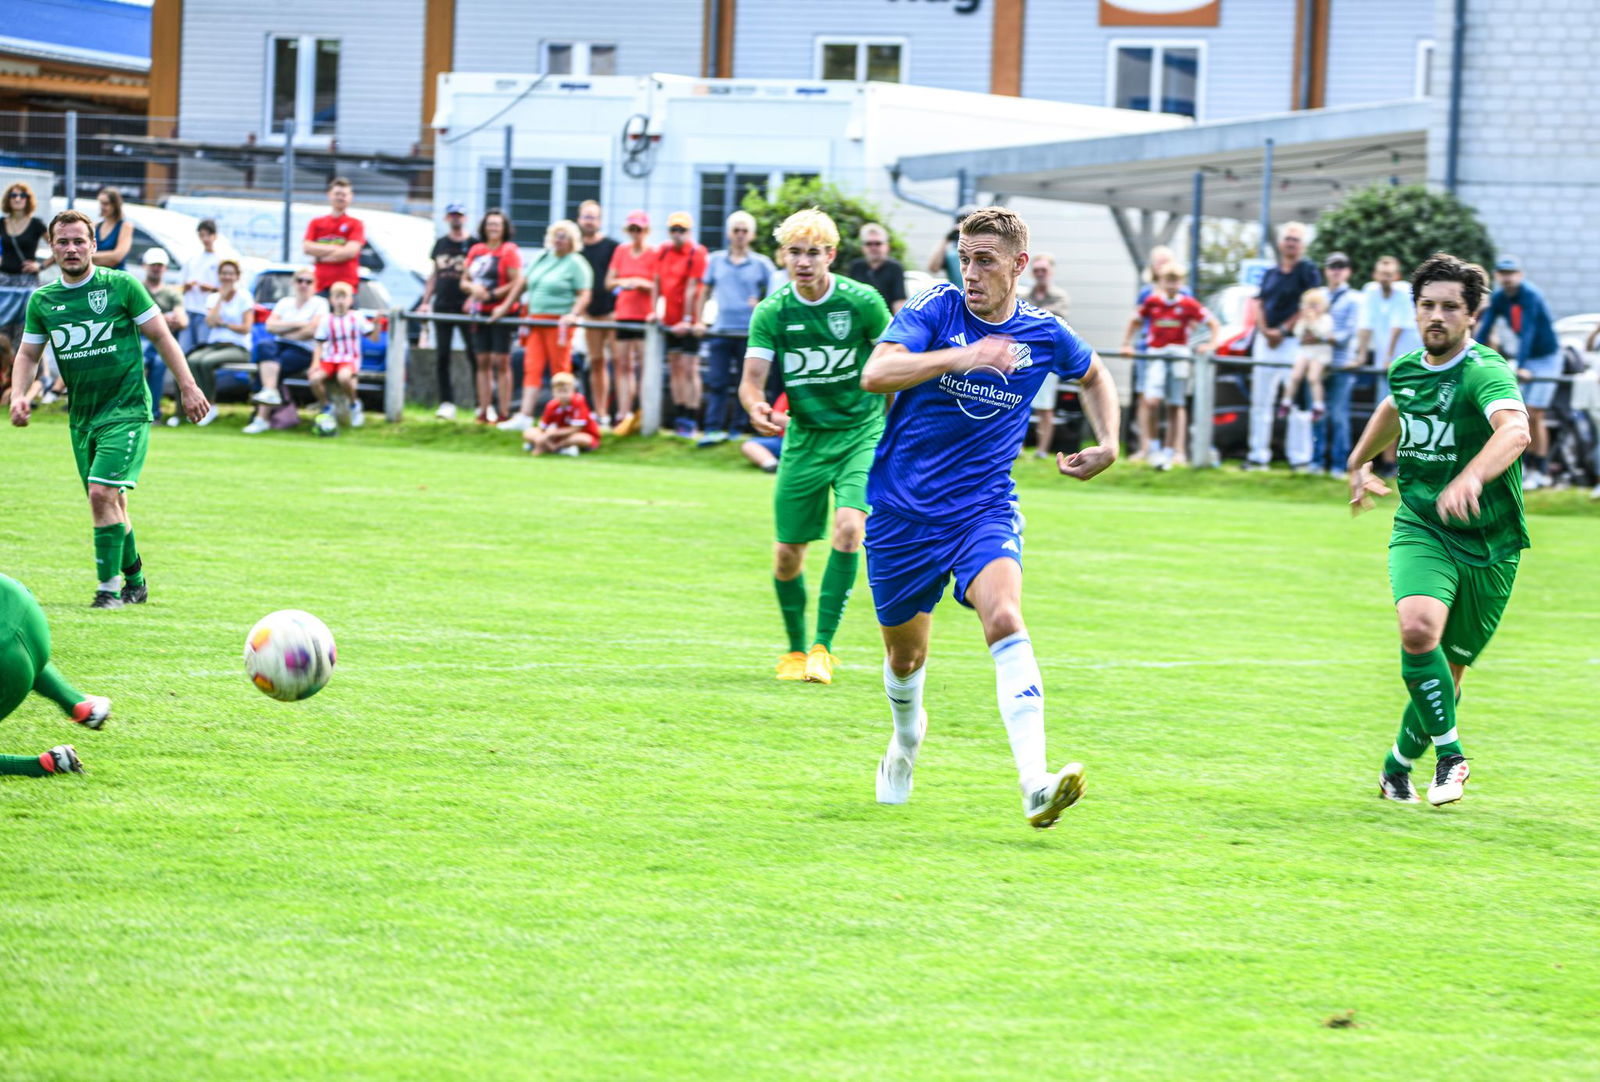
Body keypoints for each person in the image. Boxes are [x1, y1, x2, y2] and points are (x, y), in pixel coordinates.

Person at [860, 206, 1120, 829]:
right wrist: (959, 358)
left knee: (1004, 614)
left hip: (982, 508)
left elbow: (1095, 375)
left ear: (1018, 265)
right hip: (901, 512)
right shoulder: (936, 309)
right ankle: (906, 741)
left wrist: (1109, 441)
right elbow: (876, 373)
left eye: (985, 260)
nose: (970, 272)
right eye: (964, 258)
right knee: (905, 660)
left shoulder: (1044, 332)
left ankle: (1035, 784)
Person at [1346, 254, 1530, 807]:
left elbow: (1515, 430)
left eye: (1450, 307)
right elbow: (1394, 405)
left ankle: (1396, 768)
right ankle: (1452, 756)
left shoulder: (1484, 371)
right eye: (1427, 305)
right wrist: (1359, 460)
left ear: (1472, 315)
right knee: (1418, 630)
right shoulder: (1406, 368)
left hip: (1492, 542)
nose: (1436, 316)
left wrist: (1472, 476)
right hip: (1423, 524)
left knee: (1448, 673)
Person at [9, 210, 210, 607]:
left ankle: (107, 590)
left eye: (79, 241)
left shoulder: (121, 286)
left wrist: (189, 387)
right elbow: (28, 354)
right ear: (51, 247)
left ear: (93, 245)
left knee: (101, 493)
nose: (71, 248)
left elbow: (162, 336)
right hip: (83, 416)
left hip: (127, 409)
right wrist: (19, 394)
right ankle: (135, 582)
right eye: (63, 242)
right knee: (111, 501)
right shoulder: (43, 300)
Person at [737, 208, 892, 686]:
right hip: (803, 439)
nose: (803, 262)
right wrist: (756, 406)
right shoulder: (772, 311)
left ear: (831, 255)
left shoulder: (862, 302)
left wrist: (893, 430)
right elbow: (751, 381)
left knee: (849, 528)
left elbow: (894, 364)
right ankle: (794, 651)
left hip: (861, 434)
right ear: (783, 256)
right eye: (795, 253)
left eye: (813, 253)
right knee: (788, 554)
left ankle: (823, 649)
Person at [0, 573, 113, 777]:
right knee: (16, 645)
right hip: (25, 610)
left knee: (10, 652)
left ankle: (48, 764)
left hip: (7, 666)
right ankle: (79, 703)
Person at [1120, 264, 1218, 470]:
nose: (1172, 285)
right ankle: (1153, 447)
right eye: (1168, 280)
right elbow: (1134, 320)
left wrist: (1211, 344)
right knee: (1152, 401)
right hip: (1156, 354)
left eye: (1176, 280)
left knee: (1176, 403)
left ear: (1181, 282)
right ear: (1161, 281)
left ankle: (1173, 451)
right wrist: (1127, 343)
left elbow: (1212, 323)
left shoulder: (1188, 303)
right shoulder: (1152, 301)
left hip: (1179, 355)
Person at [500, 219, 592, 432]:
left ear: (572, 241)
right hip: (536, 321)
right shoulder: (542, 257)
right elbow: (523, 283)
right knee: (532, 367)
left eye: (564, 237)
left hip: (559, 324)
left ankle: (566, 416)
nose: (559, 240)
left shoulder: (576, 263)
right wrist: (505, 307)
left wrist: (572, 314)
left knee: (560, 370)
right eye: (557, 236)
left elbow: (584, 294)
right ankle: (525, 415)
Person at [694, 210, 776, 443]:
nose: (740, 234)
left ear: (752, 235)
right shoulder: (715, 261)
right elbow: (704, 291)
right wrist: (699, 319)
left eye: (744, 231)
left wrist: (762, 303)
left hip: (749, 334)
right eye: (736, 230)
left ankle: (738, 429)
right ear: (729, 234)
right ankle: (712, 429)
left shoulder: (761, 263)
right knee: (717, 382)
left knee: (747, 383)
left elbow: (778, 290)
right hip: (721, 330)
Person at [1479, 257, 1561, 490]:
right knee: (1520, 414)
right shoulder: (1500, 297)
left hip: (1546, 358)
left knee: (1535, 413)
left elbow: (1528, 331)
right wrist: (1470, 353)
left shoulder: (1530, 295)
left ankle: (1540, 469)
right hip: (1526, 359)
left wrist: (1521, 365)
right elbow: (1485, 327)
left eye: (1512, 272)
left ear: (1520, 275)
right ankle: (1524, 467)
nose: (1508, 277)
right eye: (1503, 273)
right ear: (1497, 276)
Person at [1245, 222, 1320, 469]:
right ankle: (1258, 455)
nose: (1290, 243)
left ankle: (1299, 458)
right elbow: (1259, 302)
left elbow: (1310, 305)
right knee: (1260, 401)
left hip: (1293, 343)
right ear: (1280, 243)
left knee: (1296, 401)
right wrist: (1265, 330)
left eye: (1295, 240)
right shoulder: (1270, 273)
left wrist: (1283, 330)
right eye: (1287, 238)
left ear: (1302, 245)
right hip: (1265, 343)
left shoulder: (1307, 270)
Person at [1355, 256, 1422, 478]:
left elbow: (1397, 327)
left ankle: (1408, 463)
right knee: (1386, 414)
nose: (1386, 278)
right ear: (1375, 275)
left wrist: (1388, 357)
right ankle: (1388, 463)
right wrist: (1361, 355)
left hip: (1408, 364)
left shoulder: (1404, 292)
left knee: (1411, 415)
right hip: (1387, 366)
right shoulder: (1370, 291)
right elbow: (1365, 325)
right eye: (1382, 274)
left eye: (1390, 274)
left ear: (1397, 276)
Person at [242, 266, 327, 435]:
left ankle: (261, 417)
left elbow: (312, 331)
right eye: (300, 281)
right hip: (279, 345)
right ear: (293, 283)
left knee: (270, 369)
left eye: (308, 281)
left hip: (305, 350)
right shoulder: (285, 302)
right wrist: (299, 324)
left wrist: (285, 330)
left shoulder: (320, 303)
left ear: (315, 285)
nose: (303, 285)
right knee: (264, 346)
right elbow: (270, 326)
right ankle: (269, 396)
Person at [462, 210, 523, 425]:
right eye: (490, 224)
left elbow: (517, 282)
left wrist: (494, 295)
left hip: (502, 313)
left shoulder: (509, 251)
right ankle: (484, 410)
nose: (493, 228)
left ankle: (503, 411)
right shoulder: (477, 250)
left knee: (501, 361)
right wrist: (473, 289)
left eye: (497, 224)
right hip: (480, 312)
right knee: (482, 361)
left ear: (504, 228)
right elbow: (464, 280)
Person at [420, 202, 476, 421]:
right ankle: (446, 403)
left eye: (459, 215)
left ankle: (480, 403)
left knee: (474, 354)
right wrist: (426, 301)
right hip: (442, 305)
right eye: (452, 215)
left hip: (466, 308)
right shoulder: (441, 244)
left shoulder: (474, 244)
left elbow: (479, 276)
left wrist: (472, 298)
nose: (456, 219)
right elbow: (434, 274)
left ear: (465, 218)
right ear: (446, 218)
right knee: (443, 355)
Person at [605, 211, 658, 437]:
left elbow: (658, 284)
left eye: (639, 229)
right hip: (624, 313)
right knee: (623, 364)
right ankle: (623, 412)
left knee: (643, 366)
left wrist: (641, 284)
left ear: (646, 231)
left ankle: (643, 411)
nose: (636, 233)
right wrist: (624, 282)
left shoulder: (653, 253)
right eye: (632, 229)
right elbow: (609, 282)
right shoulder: (621, 251)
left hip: (644, 315)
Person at [181, 259, 252, 427]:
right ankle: (197, 406)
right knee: (192, 361)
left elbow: (246, 328)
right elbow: (210, 322)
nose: (227, 277)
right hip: (215, 345)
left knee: (206, 362)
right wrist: (221, 297)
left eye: (230, 273)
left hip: (237, 347)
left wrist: (225, 325)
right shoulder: (214, 298)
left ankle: (210, 406)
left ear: (237, 276)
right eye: (224, 273)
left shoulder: (244, 297)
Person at [658, 211, 709, 438]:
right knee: (675, 367)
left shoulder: (697, 252)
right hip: (670, 319)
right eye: (674, 229)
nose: (677, 234)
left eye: (682, 230)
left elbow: (692, 288)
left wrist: (688, 319)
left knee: (690, 368)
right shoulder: (664, 251)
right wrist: (658, 312)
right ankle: (679, 414)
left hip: (689, 320)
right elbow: (658, 282)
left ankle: (691, 416)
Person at [1022, 252, 1073, 458]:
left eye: (1044, 270)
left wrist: (1032, 315)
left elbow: (1054, 321)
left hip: (1048, 358)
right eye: (1037, 270)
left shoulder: (1060, 296)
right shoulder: (1023, 296)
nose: (1040, 273)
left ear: (1051, 271)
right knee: (1020, 403)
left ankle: (1042, 450)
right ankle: (1018, 447)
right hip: (1024, 357)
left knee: (1045, 406)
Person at [309, 281, 376, 429]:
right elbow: (319, 343)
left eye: (344, 297)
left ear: (350, 300)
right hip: (330, 358)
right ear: (331, 300)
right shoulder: (327, 319)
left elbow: (373, 337)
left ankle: (354, 404)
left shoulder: (356, 317)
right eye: (337, 297)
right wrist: (315, 363)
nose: (340, 301)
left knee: (344, 377)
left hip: (349, 358)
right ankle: (327, 407)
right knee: (314, 379)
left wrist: (377, 324)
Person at [577, 201, 619, 429]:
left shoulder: (612, 247)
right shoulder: (576, 249)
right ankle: (600, 413)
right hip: (589, 316)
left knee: (620, 363)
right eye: (586, 217)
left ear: (600, 221)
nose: (589, 221)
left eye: (593, 217)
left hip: (612, 313)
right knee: (596, 362)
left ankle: (620, 414)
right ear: (579, 220)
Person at [1278, 286, 1333, 459]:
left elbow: (1323, 334)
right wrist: (1306, 324)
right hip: (1306, 350)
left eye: (1315, 305)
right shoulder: (1303, 319)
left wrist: (1313, 323)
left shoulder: (1326, 319)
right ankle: (1286, 401)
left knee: (1313, 377)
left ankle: (1318, 405)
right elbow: (1298, 334)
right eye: (1309, 305)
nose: (1312, 308)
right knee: (1295, 375)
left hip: (1320, 352)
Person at [137, 248, 188, 424]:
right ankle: (136, 410)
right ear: (145, 266)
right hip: (140, 338)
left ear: (165, 268)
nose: (156, 268)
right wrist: (163, 318)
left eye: (159, 265)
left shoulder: (172, 293)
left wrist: (155, 320)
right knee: (140, 362)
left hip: (163, 340)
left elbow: (182, 321)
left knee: (159, 364)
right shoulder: (138, 288)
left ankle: (154, 413)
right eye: (153, 265)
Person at [2, 181, 49, 346]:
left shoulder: (36, 224)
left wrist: (41, 266)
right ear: (8, 199)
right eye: (13, 195)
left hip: (26, 283)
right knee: (3, 328)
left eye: (22, 195)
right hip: (4, 282)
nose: (17, 199)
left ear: (28, 199)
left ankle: (26, 361)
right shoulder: (2, 223)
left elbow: (58, 246)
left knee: (24, 329)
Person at [302, 177, 365, 296]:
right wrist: (338, 249)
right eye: (337, 194)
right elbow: (307, 247)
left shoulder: (356, 224)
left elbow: (350, 252)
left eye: (344, 194)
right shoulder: (316, 223)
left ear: (351, 197)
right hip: (320, 286)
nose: (340, 197)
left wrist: (320, 258)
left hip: (346, 289)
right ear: (329, 195)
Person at [522, 370, 600, 456]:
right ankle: (550, 447)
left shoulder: (578, 401)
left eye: (565, 391)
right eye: (559, 391)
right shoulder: (551, 405)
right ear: (553, 392)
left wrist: (551, 434)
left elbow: (575, 429)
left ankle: (556, 447)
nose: (563, 395)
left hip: (578, 434)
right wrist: (544, 436)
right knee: (529, 432)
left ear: (573, 390)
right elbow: (543, 428)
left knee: (581, 438)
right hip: (558, 436)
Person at [845, 223, 907, 315]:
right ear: (862, 247)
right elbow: (849, 298)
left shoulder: (895, 268)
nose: (873, 248)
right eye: (868, 244)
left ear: (887, 246)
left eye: (878, 243)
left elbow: (899, 301)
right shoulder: (856, 266)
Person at [180, 218, 221, 351]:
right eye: (202, 235)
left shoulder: (220, 259)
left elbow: (226, 290)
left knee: (202, 349)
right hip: (189, 308)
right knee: (184, 349)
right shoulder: (192, 259)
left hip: (206, 311)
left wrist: (211, 288)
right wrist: (188, 286)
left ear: (215, 236)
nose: (205, 239)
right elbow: (181, 286)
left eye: (208, 235)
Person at [92, 188, 133, 271]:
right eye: (100, 203)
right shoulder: (95, 226)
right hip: (97, 275)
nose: (102, 207)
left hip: (116, 275)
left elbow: (117, 257)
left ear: (115, 205)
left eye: (106, 204)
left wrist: (88, 257)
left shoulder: (125, 226)